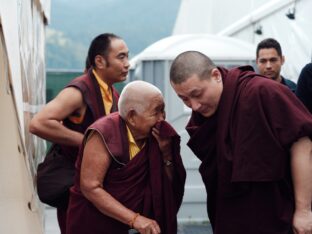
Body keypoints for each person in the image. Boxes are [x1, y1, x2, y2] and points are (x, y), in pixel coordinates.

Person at [169, 51, 312, 234]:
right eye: (184, 99)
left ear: (215, 76)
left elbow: (302, 145)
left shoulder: (262, 92)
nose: (194, 106)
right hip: (229, 219)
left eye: (197, 94)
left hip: (276, 214)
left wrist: (304, 211)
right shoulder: (202, 118)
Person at [29, 33, 129, 234]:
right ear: (99, 61)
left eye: (127, 56)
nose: (127, 63)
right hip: (75, 190)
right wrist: (88, 142)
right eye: (121, 57)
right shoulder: (79, 91)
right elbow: (38, 123)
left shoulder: (113, 95)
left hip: (99, 188)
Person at [66, 80, 186, 234]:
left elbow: (168, 187)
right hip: (97, 223)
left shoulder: (158, 137)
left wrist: (167, 153)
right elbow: (91, 187)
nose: (162, 118)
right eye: (156, 112)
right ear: (132, 117)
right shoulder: (104, 133)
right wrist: (135, 219)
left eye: (163, 111)